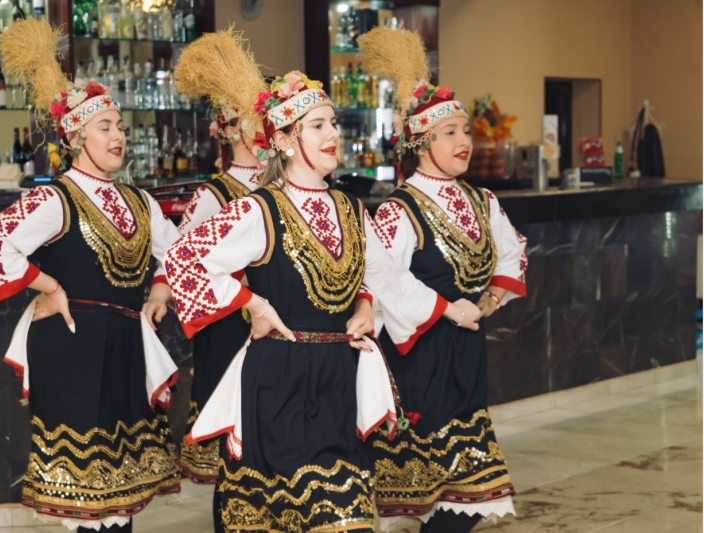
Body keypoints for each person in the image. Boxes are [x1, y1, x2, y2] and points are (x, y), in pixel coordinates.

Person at [165, 70, 466, 533]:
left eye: (334, 123)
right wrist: (253, 304)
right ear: (285, 140)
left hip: (338, 379)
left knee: (347, 517)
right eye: (318, 125)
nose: (333, 134)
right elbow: (184, 258)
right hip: (278, 381)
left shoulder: (351, 208)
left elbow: (382, 275)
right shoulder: (259, 208)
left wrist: (366, 305)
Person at [0, 20, 182, 532]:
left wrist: (159, 288)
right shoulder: (55, 197)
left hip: (124, 345)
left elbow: (179, 252)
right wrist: (49, 286)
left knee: (121, 494)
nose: (118, 135)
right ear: (77, 135)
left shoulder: (139, 200)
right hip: (71, 344)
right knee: (84, 498)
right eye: (105, 126)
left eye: (120, 126)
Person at [358, 27, 528, 533]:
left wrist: (490, 301)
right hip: (420, 359)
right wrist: (446, 308)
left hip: (466, 355)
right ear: (421, 142)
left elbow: (513, 251)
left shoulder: (481, 200)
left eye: (466, 131)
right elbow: (381, 277)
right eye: (449, 133)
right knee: (445, 495)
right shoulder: (400, 209)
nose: (464, 142)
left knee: (464, 495)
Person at [172, 28, 265, 532]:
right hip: (229, 334)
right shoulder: (212, 196)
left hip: (279, 336)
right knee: (234, 457)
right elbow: (183, 271)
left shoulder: (283, 189)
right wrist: (243, 299)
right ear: (231, 129)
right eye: (252, 120)